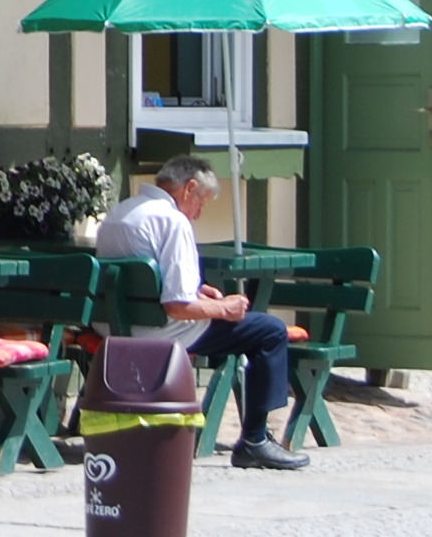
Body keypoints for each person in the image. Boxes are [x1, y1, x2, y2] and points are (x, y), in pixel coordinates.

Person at [96, 156, 308, 470]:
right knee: (270, 331)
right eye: (202, 203)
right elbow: (178, 307)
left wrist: (197, 291)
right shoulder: (172, 220)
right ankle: (255, 440)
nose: (198, 214)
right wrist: (224, 307)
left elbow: (151, 284)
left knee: (256, 327)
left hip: (112, 328)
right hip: (160, 333)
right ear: (189, 188)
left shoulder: (121, 211)